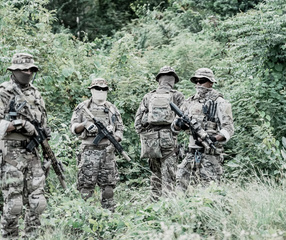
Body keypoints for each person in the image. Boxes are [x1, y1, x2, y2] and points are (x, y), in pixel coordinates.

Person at [0, 52, 50, 240]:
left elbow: (43, 124)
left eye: (31, 69)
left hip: (33, 153)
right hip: (10, 154)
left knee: (38, 201)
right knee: (14, 203)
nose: (28, 72)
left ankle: (32, 239)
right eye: (23, 70)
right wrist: (21, 125)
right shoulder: (3, 93)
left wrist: (42, 136)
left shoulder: (36, 94)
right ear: (13, 71)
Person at [172, 68, 234, 191]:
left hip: (210, 154)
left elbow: (229, 128)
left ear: (211, 82)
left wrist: (213, 138)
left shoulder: (220, 102)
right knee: (179, 184)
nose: (199, 84)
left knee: (210, 190)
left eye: (203, 81)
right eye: (197, 81)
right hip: (191, 153)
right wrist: (179, 124)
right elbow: (174, 128)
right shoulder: (189, 102)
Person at [70, 78, 124, 211]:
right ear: (91, 90)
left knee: (108, 188)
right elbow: (73, 127)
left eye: (104, 89)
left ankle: (109, 217)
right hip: (88, 151)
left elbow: (120, 128)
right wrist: (85, 125)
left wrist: (115, 137)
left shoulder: (112, 108)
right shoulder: (83, 107)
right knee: (85, 188)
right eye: (97, 89)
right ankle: (85, 216)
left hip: (107, 151)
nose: (101, 91)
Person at [134, 66, 185, 200]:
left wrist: (148, 135)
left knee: (155, 176)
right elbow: (186, 121)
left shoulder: (148, 96)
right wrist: (174, 131)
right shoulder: (177, 96)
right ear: (173, 81)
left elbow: (137, 124)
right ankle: (168, 208)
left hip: (151, 142)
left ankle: (154, 206)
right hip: (169, 141)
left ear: (159, 80)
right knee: (169, 179)